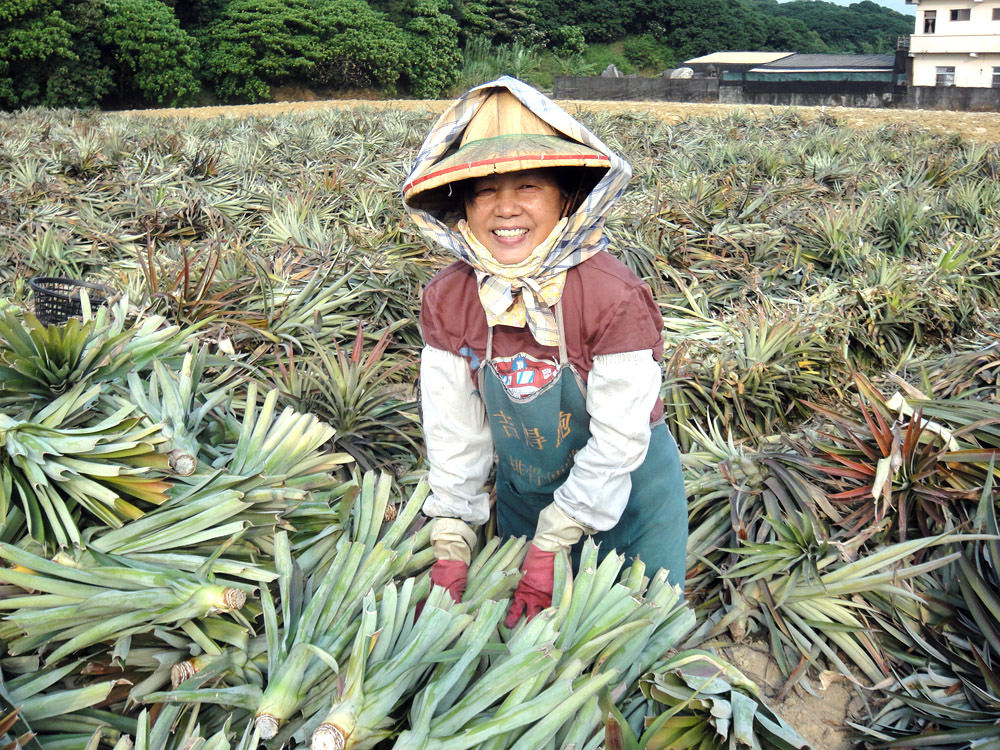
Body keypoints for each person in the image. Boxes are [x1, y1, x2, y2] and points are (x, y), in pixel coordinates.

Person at [402, 76, 687, 627]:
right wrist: (452, 535)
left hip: (627, 496)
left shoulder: (611, 295)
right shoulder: (450, 297)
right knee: (528, 647)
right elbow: (454, 433)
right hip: (527, 491)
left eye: (528, 187)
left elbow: (618, 440)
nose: (505, 209)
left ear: (567, 200)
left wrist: (554, 540)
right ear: (462, 207)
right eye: (485, 191)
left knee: (628, 647)